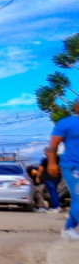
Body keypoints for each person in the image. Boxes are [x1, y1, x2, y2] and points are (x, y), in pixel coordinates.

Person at [47, 98, 79, 239]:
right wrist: (52, 163)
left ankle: (68, 229)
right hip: (72, 165)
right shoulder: (66, 123)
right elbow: (53, 144)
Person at [40, 147, 62, 211]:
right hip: (57, 177)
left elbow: (41, 169)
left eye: (45, 152)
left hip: (48, 178)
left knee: (53, 192)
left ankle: (55, 207)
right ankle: (58, 206)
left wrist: (38, 177)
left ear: (47, 152)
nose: (44, 153)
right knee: (55, 192)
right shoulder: (58, 158)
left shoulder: (45, 160)